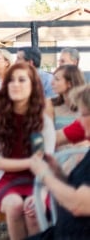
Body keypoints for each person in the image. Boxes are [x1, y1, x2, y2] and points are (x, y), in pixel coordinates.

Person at [0, 63, 55, 240]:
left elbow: (44, 162)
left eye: (22, 80)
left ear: (33, 86)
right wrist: (30, 162)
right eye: (11, 81)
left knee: (33, 211)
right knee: (15, 205)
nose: (15, 84)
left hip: (37, 181)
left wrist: (42, 192)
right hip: (7, 181)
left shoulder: (42, 122)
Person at [27, 84, 90, 239]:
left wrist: (45, 175)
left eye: (83, 114)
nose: (78, 121)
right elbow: (77, 186)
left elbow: (79, 204)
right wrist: (57, 173)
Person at [44, 65, 85, 129]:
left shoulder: (86, 106)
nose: (52, 82)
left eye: (57, 79)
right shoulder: (50, 104)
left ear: (69, 84)